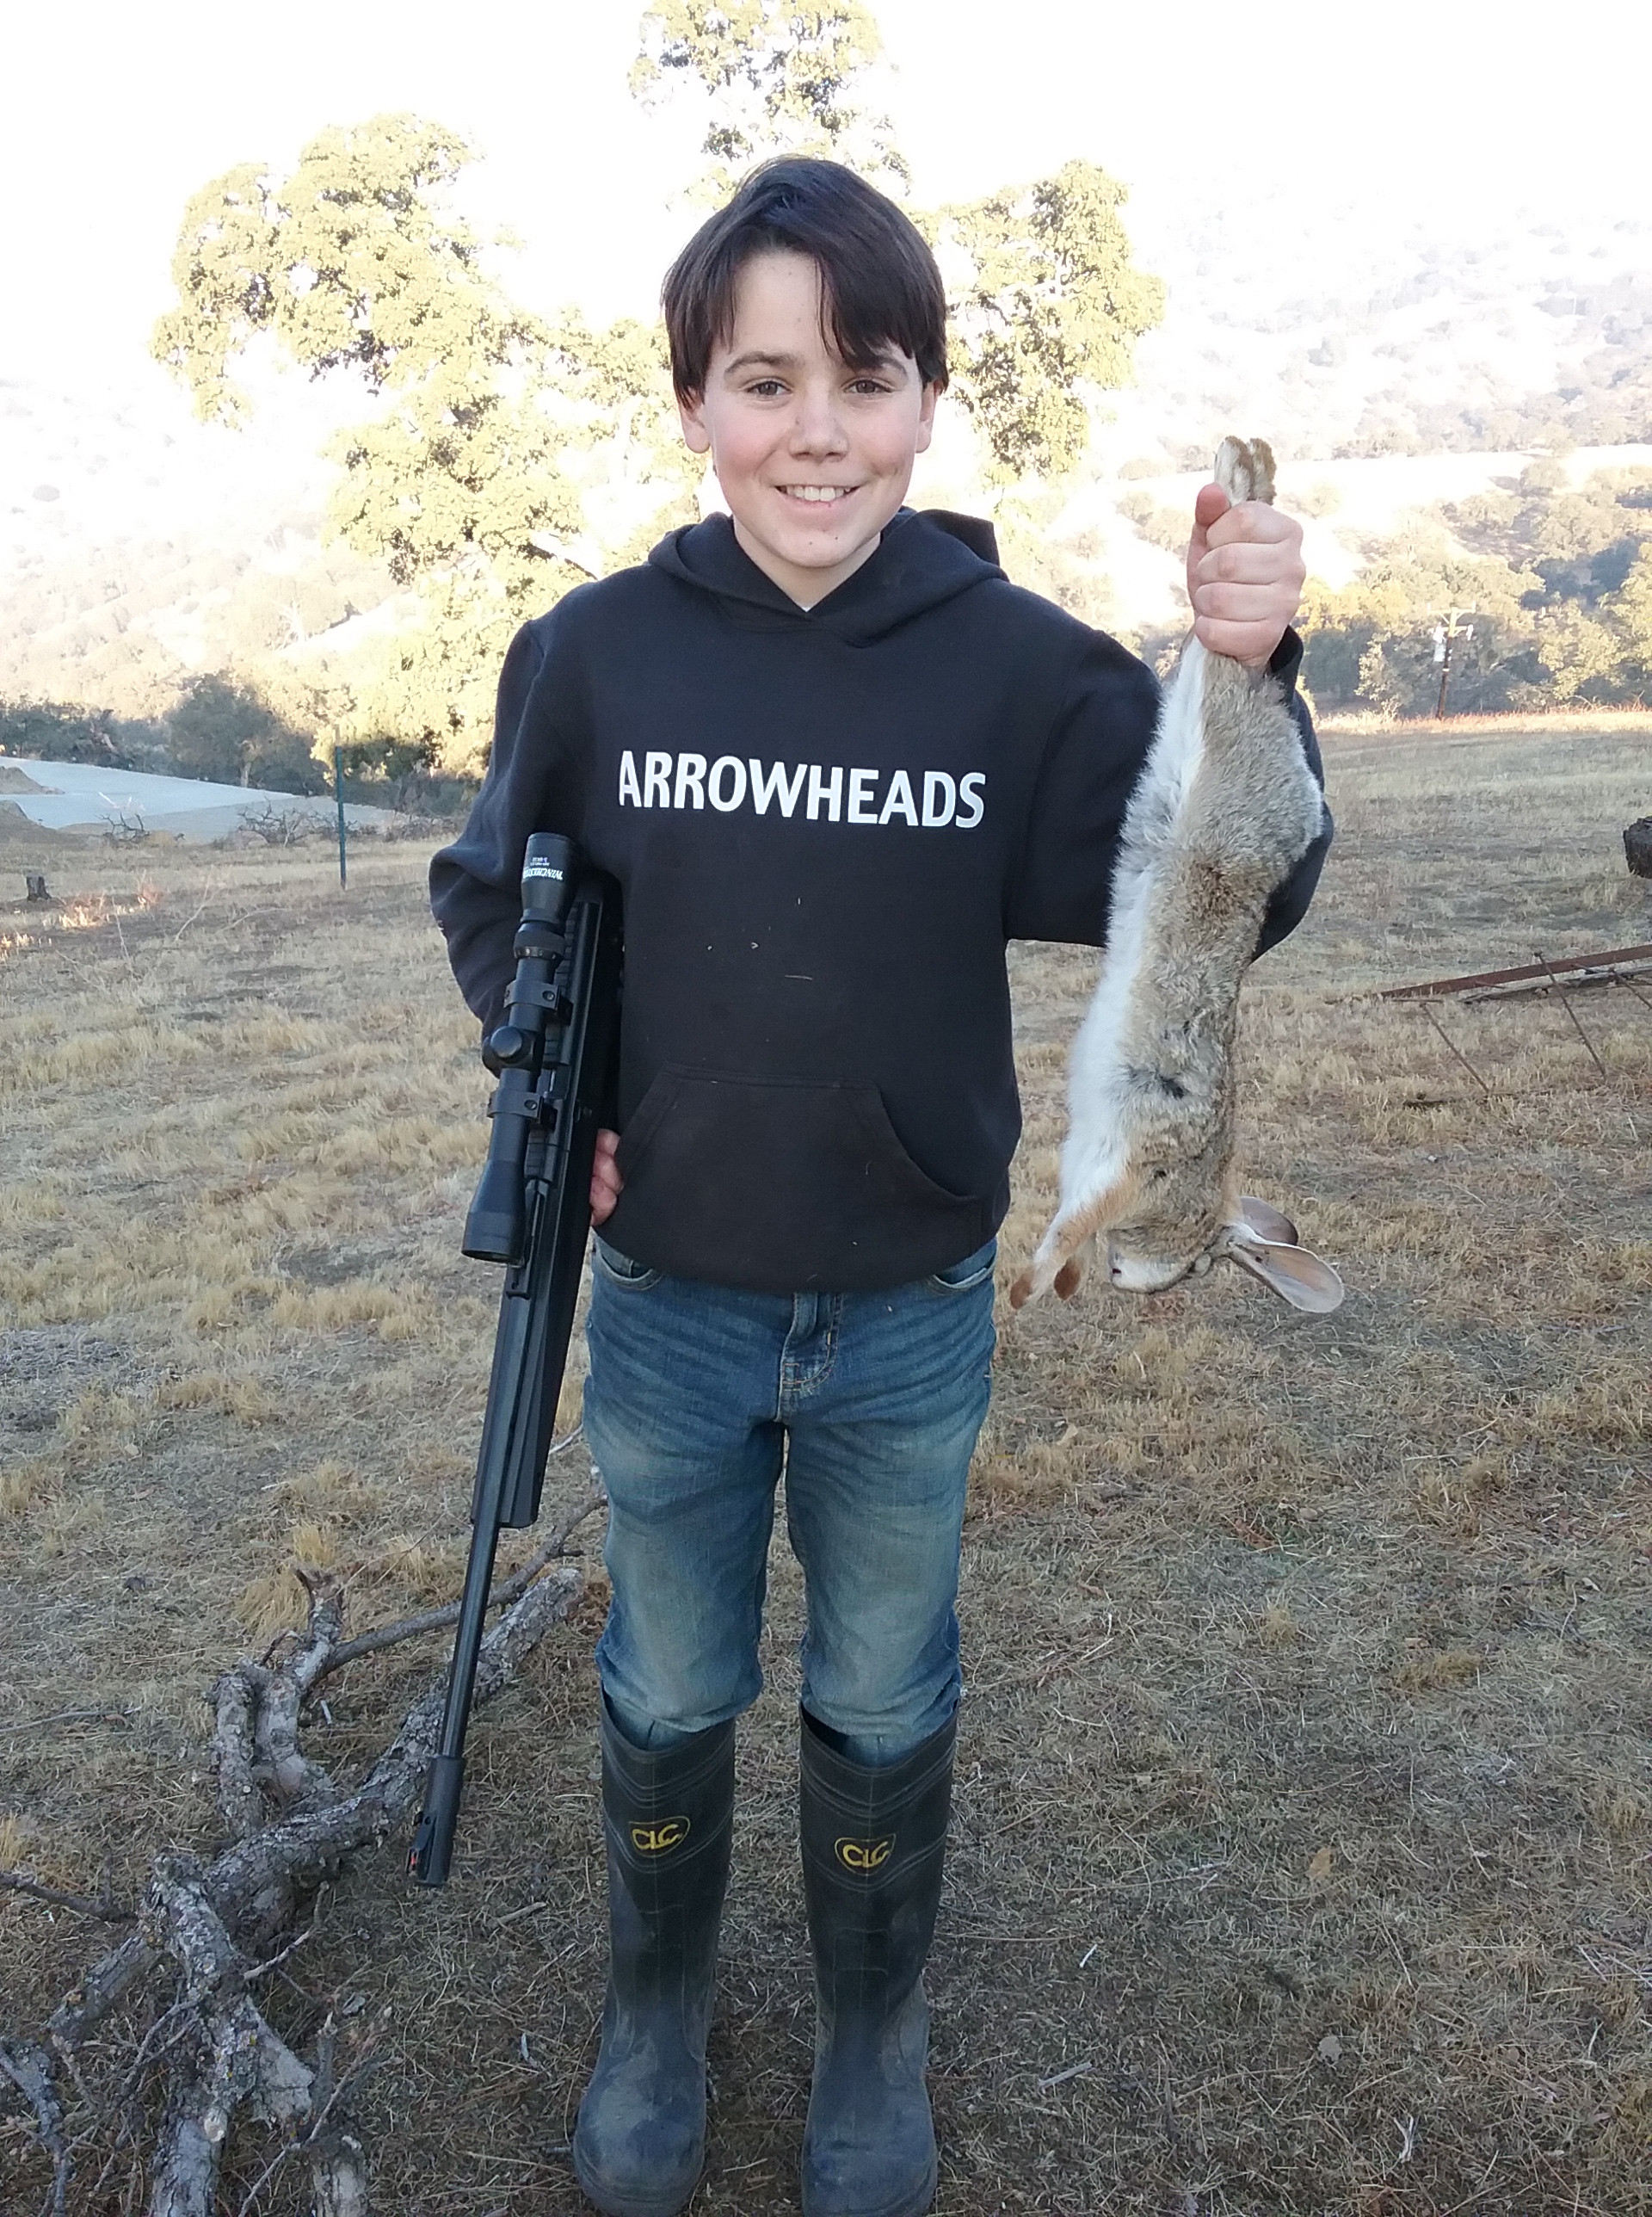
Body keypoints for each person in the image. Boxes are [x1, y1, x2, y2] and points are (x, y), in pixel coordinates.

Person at [430, 157, 1327, 2217]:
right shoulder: (597, 655)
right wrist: (553, 1084)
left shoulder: (1015, 667)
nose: (815, 430)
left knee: (882, 1686)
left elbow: (1234, 885)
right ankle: (656, 2012)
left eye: (864, 377)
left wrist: (1252, 665)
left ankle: (868, 2035)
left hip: (911, 1314)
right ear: (694, 403)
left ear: (927, 400)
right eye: (764, 382)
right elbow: (491, 887)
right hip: (667, 1300)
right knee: (668, 1682)